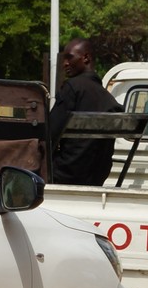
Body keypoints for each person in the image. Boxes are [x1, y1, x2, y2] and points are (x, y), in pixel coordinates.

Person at [47, 38, 122, 186]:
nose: (65, 63)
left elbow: (49, 133)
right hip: (97, 177)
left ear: (86, 58)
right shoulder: (110, 101)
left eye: (69, 57)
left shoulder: (73, 88)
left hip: (63, 173)